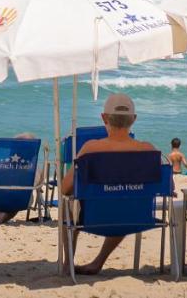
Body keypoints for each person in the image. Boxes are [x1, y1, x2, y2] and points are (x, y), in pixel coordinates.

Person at [60, 93, 156, 275]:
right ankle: (98, 262)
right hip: (136, 218)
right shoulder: (148, 150)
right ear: (133, 119)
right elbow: (170, 187)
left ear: (104, 117)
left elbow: (65, 188)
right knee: (124, 203)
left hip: (95, 219)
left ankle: (68, 264)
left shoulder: (90, 149)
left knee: (68, 210)